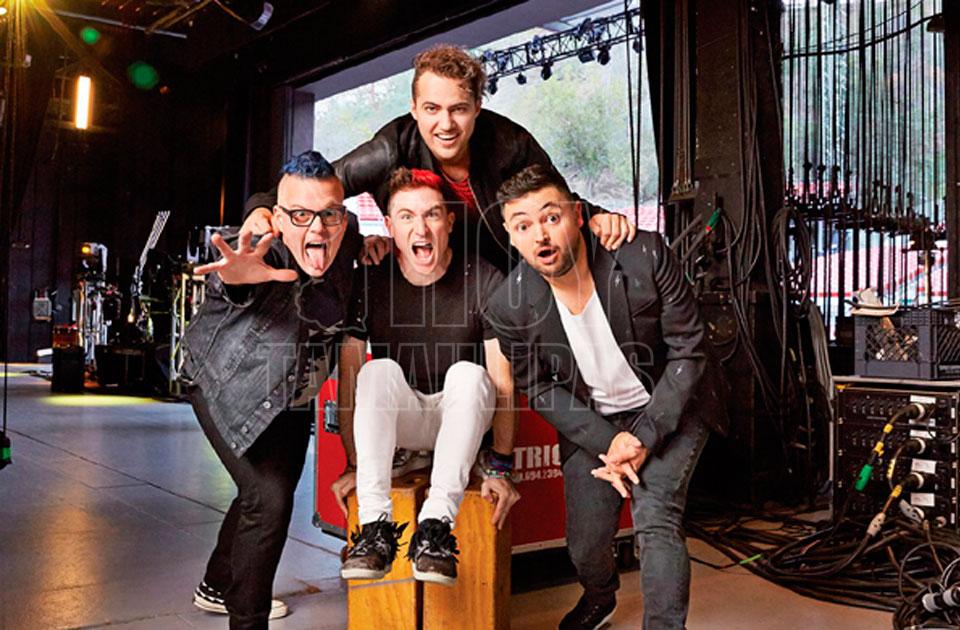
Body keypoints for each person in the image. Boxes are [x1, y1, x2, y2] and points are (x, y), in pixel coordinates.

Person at [487, 165, 727, 630]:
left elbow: (688, 349)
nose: (541, 235)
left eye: (551, 217)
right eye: (523, 225)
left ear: (578, 215)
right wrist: (611, 441)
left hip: (668, 405)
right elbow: (538, 386)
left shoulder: (643, 255)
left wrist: (644, 437)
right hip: (593, 422)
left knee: (656, 516)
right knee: (586, 543)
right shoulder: (507, 306)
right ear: (511, 236)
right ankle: (600, 596)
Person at [240, 44, 636, 271]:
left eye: (458, 109)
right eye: (431, 109)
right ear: (414, 108)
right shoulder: (391, 147)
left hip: (505, 279)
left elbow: (556, 201)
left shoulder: (509, 143)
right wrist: (261, 207)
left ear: (477, 107)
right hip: (430, 280)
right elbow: (316, 187)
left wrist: (600, 216)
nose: (445, 125)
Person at [180, 150, 362, 629]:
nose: (317, 228)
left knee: (258, 495)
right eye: (300, 215)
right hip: (225, 384)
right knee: (268, 500)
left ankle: (217, 583)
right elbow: (235, 278)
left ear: (344, 218)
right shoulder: (262, 247)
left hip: (291, 395)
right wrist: (235, 281)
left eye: (329, 215)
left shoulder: (348, 244)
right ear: (278, 219)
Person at [333, 167, 519, 585]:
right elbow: (350, 380)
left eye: (432, 214)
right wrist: (354, 462)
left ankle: (436, 528)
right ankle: (375, 528)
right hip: (407, 424)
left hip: (463, 418)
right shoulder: (370, 280)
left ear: (449, 222)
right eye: (407, 217)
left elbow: (503, 383)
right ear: (389, 226)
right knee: (376, 372)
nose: (421, 228)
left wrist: (500, 468)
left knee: (469, 375)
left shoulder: (483, 277)